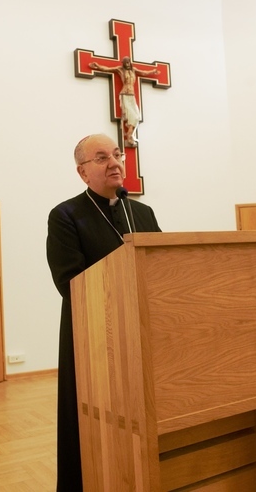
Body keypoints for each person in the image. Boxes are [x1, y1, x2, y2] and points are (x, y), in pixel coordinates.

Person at [46, 133, 161, 490]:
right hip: (94, 336)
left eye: (116, 154)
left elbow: (161, 267)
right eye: (101, 158)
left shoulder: (141, 212)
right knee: (90, 421)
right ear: (82, 172)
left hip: (142, 333)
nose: (114, 162)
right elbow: (69, 281)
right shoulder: (66, 215)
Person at [89, 57, 159, 147]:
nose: (128, 64)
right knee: (130, 115)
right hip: (125, 94)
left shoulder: (134, 70)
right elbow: (107, 69)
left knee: (136, 117)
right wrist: (98, 66)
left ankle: (129, 133)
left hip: (132, 95)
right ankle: (129, 136)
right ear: (123, 63)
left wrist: (153, 71)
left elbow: (143, 72)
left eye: (129, 62)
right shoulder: (120, 69)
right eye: (126, 63)